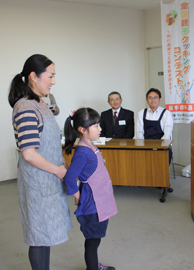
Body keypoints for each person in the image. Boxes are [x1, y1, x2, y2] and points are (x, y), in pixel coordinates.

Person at [8, 54, 72, 270]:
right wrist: (59, 171)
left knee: (45, 235)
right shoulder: (25, 107)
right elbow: (29, 153)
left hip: (48, 179)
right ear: (33, 76)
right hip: (39, 182)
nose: (53, 81)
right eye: (50, 76)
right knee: (38, 235)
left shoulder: (40, 104)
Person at [64, 107, 118, 270]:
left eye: (99, 125)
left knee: (95, 239)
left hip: (99, 201)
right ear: (83, 130)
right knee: (93, 241)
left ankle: (94, 265)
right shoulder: (82, 151)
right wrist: (78, 196)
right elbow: (69, 178)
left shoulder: (90, 145)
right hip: (92, 204)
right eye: (96, 126)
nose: (100, 129)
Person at [136, 88, 173, 163]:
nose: (153, 100)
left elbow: (167, 134)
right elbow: (139, 132)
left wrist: (159, 147)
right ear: (147, 100)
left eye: (155, 97)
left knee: (161, 164)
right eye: (150, 98)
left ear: (160, 99)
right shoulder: (141, 113)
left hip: (162, 146)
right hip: (145, 146)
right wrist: (143, 147)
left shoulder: (167, 113)